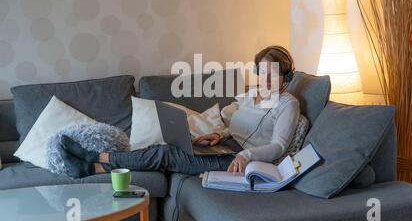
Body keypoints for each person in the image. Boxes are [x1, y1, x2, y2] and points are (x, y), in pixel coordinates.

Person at [60, 46, 300, 178]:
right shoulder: (249, 95)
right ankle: (91, 168)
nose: (267, 79)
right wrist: (220, 136)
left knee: (166, 155)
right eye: (263, 72)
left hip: (242, 160)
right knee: (163, 148)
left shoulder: (288, 104)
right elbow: (239, 125)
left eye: (275, 74)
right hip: (227, 147)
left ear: (286, 77)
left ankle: (96, 157)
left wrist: (245, 156)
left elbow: (279, 146)